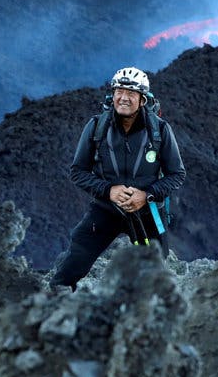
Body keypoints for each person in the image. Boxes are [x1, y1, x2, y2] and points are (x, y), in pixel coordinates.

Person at [51, 66, 186, 289]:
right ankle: (56, 305)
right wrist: (109, 191)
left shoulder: (160, 131)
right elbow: (78, 171)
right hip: (106, 209)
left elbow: (177, 174)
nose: (123, 98)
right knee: (72, 266)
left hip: (148, 213)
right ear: (112, 95)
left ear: (143, 99)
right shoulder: (96, 127)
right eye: (119, 92)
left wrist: (147, 195)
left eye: (131, 93)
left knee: (155, 279)